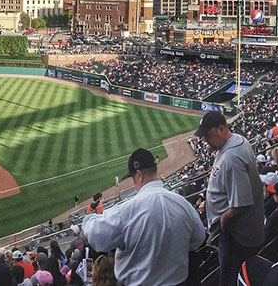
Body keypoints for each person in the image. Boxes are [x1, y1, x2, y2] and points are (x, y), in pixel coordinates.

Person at [81, 148, 206, 286]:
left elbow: (96, 236)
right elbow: (198, 239)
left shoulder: (127, 210)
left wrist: (88, 219)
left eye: (133, 178)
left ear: (139, 175)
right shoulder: (183, 203)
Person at [196, 111, 265, 286]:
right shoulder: (236, 141)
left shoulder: (232, 157)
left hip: (236, 235)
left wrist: (222, 223)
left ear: (221, 129)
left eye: (207, 136)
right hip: (242, 231)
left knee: (229, 278)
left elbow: (241, 203)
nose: (205, 141)